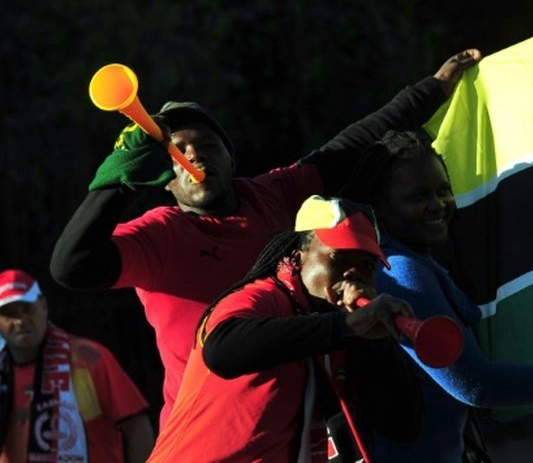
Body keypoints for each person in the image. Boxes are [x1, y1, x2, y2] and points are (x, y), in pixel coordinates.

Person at [50, 49, 480, 427]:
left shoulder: (269, 195)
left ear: (231, 157)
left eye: (206, 144)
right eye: (177, 151)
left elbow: (350, 145)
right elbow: (71, 267)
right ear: (162, 179)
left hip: (290, 428)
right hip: (206, 437)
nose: (193, 155)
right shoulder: (160, 234)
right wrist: (118, 181)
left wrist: (434, 88)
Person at [344, 129, 533, 462]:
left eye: (444, 190)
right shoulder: (400, 272)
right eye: (418, 197)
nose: (437, 205)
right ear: (379, 209)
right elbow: (474, 384)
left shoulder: (414, 259)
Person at [148, 196, 423, 462]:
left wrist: (375, 340)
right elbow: (221, 351)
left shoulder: (342, 328)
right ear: (298, 255)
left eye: (366, 265)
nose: (353, 273)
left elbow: (403, 425)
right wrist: (346, 326)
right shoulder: (262, 296)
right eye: (338, 257)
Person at [0, 269, 153, 463]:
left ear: (44, 307)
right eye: (9, 314)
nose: (21, 321)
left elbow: (137, 426)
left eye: (28, 309)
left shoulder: (88, 358)